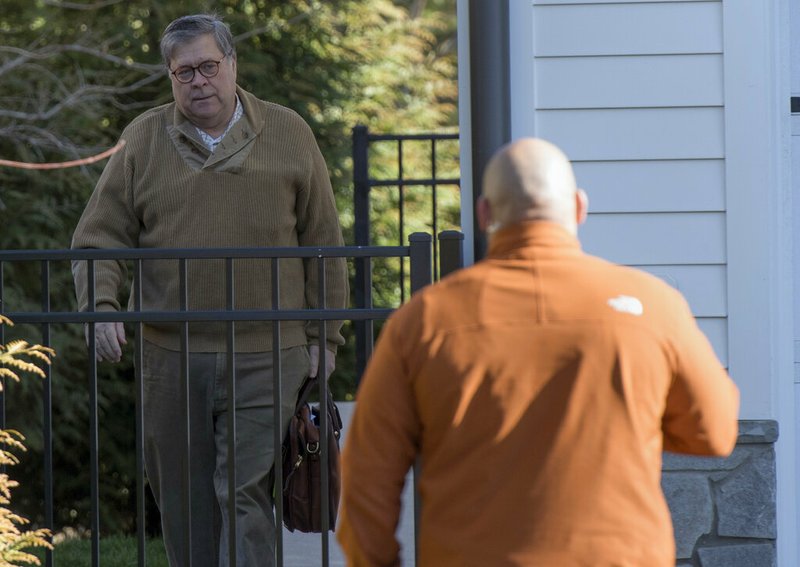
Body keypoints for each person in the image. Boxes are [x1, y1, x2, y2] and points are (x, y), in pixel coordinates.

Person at [337, 138, 739, 566]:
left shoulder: (425, 321)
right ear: (579, 207)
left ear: (485, 213)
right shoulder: (653, 306)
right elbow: (713, 432)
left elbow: (367, 477)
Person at [70, 13, 348, 567]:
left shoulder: (288, 130)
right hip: (171, 355)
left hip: (268, 351)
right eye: (184, 72)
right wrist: (101, 310)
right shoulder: (143, 139)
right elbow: (98, 237)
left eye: (208, 67)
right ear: (170, 77)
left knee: (244, 495)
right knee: (183, 503)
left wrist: (325, 337)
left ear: (231, 65)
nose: (198, 81)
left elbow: (323, 240)